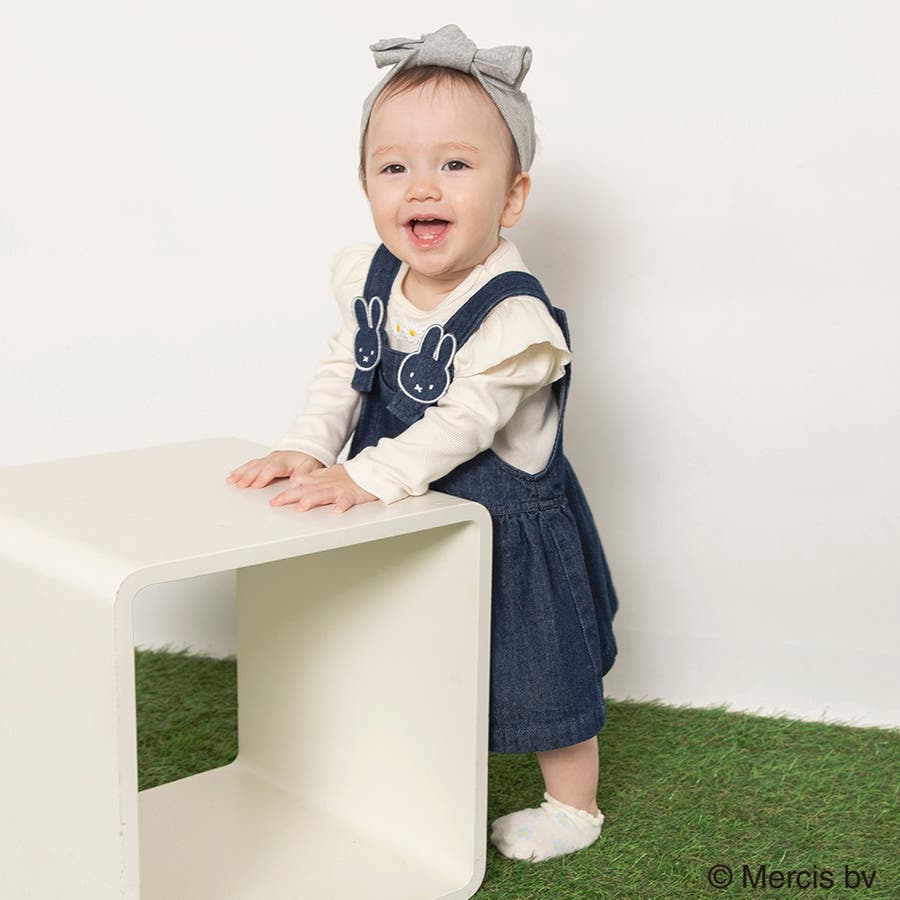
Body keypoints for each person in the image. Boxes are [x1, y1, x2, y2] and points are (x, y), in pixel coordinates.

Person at [226, 24, 619, 863]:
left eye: (456, 165)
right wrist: (308, 447)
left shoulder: (514, 318)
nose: (422, 187)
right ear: (366, 183)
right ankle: (402, 770)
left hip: (506, 536)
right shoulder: (372, 276)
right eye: (394, 167)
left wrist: (365, 476)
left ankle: (572, 807)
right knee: (405, 649)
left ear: (512, 198)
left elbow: (462, 422)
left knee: (539, 670)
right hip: (413, 515)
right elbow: (349, 367)